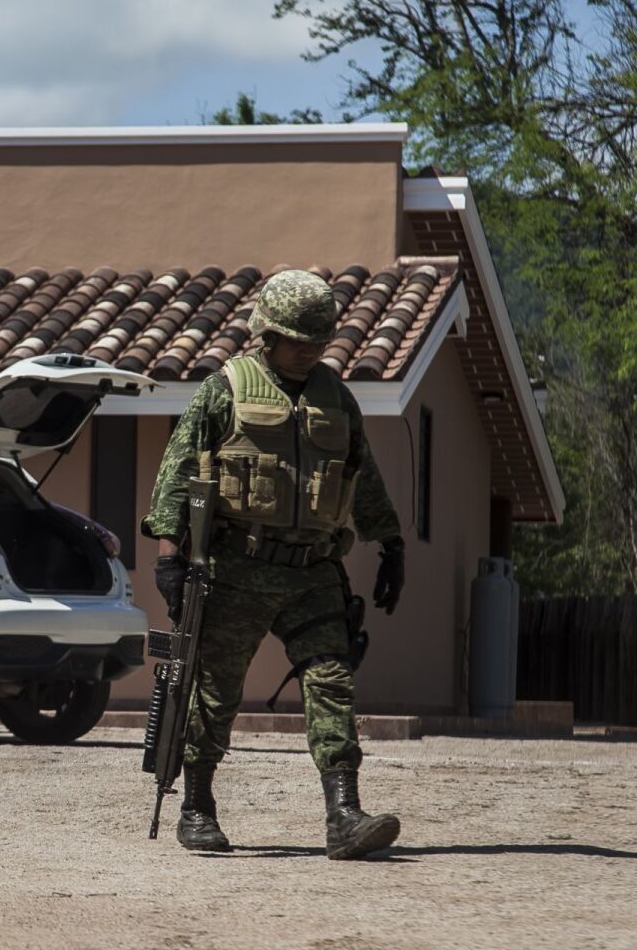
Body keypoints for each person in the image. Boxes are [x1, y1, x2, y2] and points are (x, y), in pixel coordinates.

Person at [141, 269, 406, 860]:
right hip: (235, 569)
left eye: (318, 340)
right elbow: (178, 472)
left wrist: (390, 544)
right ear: (266, 335)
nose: (310, 349)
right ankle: (197, 806)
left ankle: (344, 815)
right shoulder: (224, 389)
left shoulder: (337, 398)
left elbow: (361, 479)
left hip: (313, 572)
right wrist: (169, 556)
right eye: (297, 339)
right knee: (214, 692)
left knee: (332, 680)